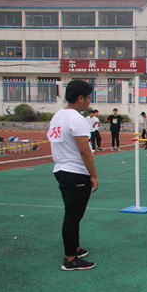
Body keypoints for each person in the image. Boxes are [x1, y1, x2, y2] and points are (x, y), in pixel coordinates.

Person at [47, 80, 98, 271]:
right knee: (72, 216)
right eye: (88, 98)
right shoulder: (77, 119)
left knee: (73, 213)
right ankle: (70, 259)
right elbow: (84, 150)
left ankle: (75, 247)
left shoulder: (58, 116)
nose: (89, 102)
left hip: (61, 170)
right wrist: (93, 175)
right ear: (80, 98)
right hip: (75, 172)